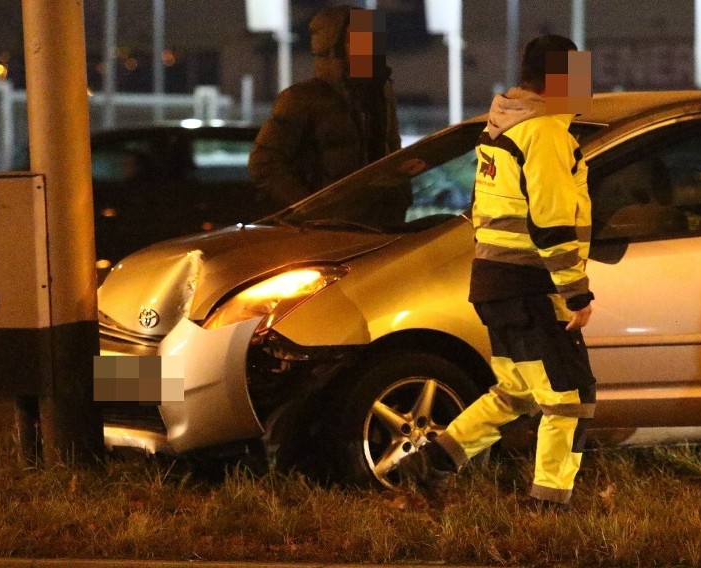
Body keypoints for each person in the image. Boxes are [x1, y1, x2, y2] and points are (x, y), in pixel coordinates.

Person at [395, 34, 597, 511]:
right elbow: (550, 221)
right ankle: (548, 503)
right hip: (527, 284)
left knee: (517, 393)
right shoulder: (543, 132)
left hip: (496, 282)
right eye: (580, 75)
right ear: (558, 79)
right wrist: (577, 293)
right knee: (570, 396)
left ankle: (431, 464)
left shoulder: (504, 127)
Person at [247, 5, 401, 209]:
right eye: (360, 39)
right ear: (334, 46)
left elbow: (392, 152)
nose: (370, 47)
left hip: (381, 226)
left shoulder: (381, 95)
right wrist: (311, 208)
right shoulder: (300, 99)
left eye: (374, 38)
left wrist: (400, 198)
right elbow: (264, 163)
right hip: (326, 231)